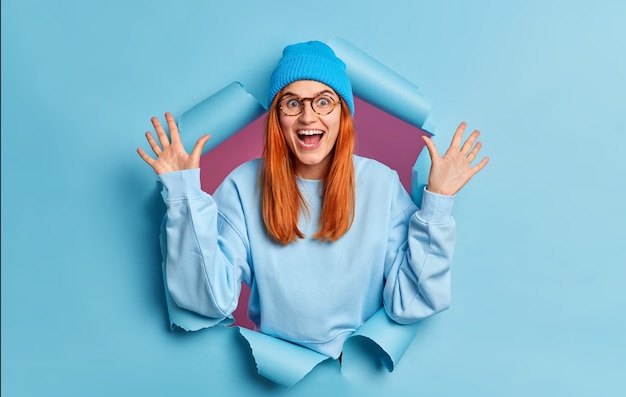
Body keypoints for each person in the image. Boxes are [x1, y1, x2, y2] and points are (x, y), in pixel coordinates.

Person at [137, 40, 488, 359]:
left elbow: (412, 302)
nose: (308, 117)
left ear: (342, 114)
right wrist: (183, 197)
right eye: (293, 103)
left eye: (323, 101)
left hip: (355, 371)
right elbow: (208, 301)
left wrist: (438, 204)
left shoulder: (380, 185)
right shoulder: (244, 186)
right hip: (274, 372)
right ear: (277, 117)